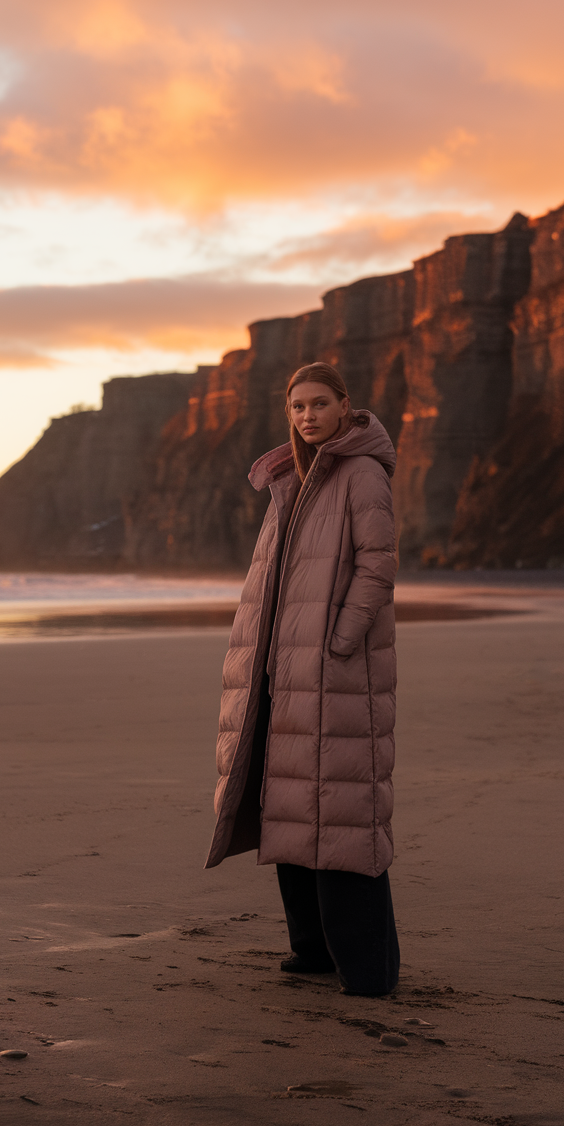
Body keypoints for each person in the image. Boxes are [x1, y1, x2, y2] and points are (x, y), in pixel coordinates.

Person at [205, 362, 399, 996]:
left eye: (320, 404)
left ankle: (369, 970)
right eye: (297, 407)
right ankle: (311, 949)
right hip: (281, 668)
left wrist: (339, 642)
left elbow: (377, 568)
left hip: (335, 670)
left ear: (346, 406)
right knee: (286, 803)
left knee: (342, 813)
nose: (308, 416)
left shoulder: (363, 474)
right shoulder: (292, 478)